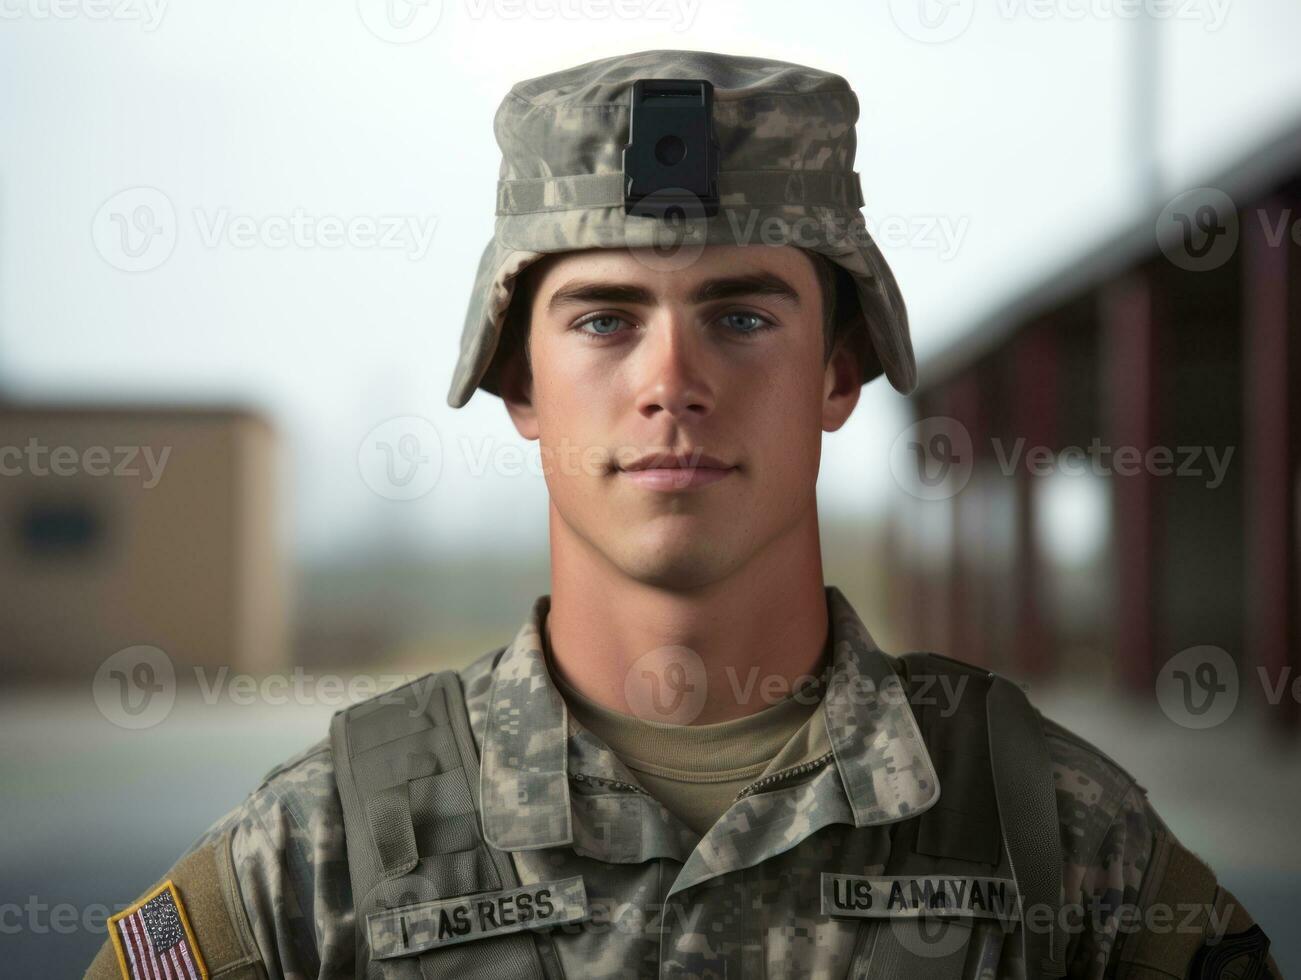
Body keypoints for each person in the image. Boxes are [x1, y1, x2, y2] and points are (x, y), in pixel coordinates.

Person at [84, 49, 1279, 980]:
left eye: (741, 315)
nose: (671, 380)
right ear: (518, 385)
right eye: (603, 319)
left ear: (836, 374)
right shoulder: (323, 852)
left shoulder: (1051, 832)